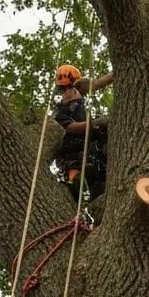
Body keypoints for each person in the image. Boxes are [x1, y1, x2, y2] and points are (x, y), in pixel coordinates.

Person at [52, 63, 114, 203]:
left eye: (73, 88)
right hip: (73, 157)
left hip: (93, 156)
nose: (71, 91)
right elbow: (71, 127)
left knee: (99, 183)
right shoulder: (61, 111)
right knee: (75, 180)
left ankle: (100, 197)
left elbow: (96, 83)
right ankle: (75, 188)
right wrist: (94, 124)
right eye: (66, 89)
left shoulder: (80, 104)